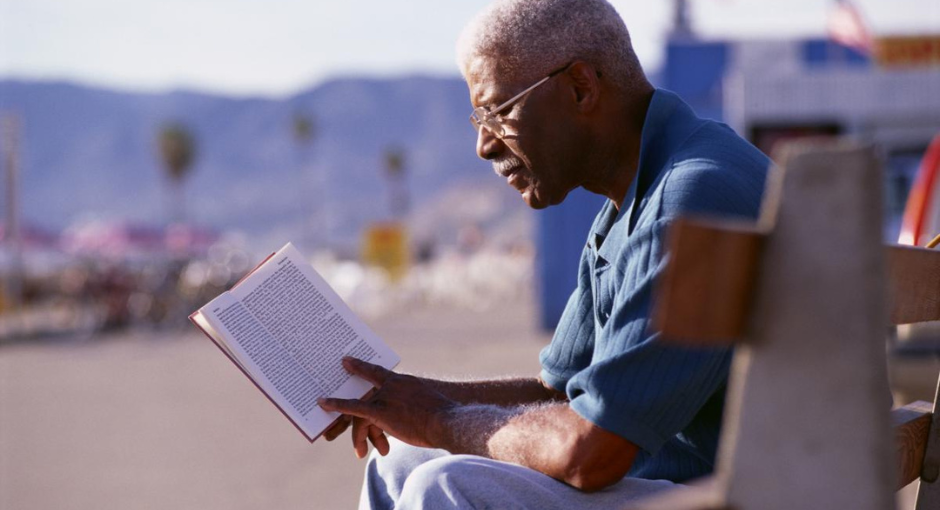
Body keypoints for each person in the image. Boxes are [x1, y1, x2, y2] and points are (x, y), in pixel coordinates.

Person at [318, 0, 770, 508]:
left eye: (498, 112)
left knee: (440, 486)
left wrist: (439, 421)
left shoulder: (688, 198)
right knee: (397, 461)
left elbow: (592, 452)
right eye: (478, 120)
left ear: (581, 86)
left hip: (733, 495)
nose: (485, 146)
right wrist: (406, 398)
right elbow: (559, 394)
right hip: (671, 484)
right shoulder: (634, 200)